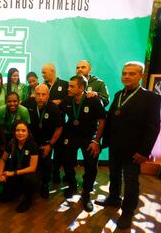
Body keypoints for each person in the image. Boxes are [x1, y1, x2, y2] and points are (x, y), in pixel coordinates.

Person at [95, 61, 161, 229]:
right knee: (114, 176)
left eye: (132, 74)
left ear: (141, 76)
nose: (127, 76)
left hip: (134, 151)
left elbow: (153, 127)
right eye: (125, 73)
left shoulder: (151, 98)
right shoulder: (118, 95)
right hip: (115, 147)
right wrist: (102, 142)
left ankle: (127, 212)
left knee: (131, 183)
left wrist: (144, 151)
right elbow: (110, 119)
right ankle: (114, 198)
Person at [58, 75, 106, 212]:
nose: (68, 88)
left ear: (81, 88)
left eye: (72, 86)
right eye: (68, 85)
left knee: (91, 166)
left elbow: (102, 120)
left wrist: (97, 141)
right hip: (71, 135)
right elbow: (58, 110)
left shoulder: (94, 100)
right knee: (67, 162)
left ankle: (86, 193)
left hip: (89, 137)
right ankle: (72, 186)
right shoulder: (67, 99)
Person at [27, 84, 63, 198]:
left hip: (47, 142)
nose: (40, 97)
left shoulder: (54, 108)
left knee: (47, 164)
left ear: (48, 95)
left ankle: (45, 185)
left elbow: (59, 128)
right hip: (31, 141)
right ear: (34, 95)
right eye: (38, 94)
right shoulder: (28, 104)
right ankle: (30, 184)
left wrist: (50, 145)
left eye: (43, 94)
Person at [0, 120, 39, 213]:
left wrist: (12, 173)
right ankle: (17, 191)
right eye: (17, 130)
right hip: (15, 173)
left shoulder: (32, 145)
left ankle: (28, 199)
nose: (20, 133)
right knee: (5, 198)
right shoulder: (11, 143)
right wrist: (0, 174)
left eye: (23, 130)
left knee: (30, 179)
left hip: (27, 174)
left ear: (28, 132)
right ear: (14, 132)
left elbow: (33, 168)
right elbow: (2, 159)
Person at [41, 63, 68, 183]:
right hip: (46, 125)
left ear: (52, 71)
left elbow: (70, 100)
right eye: (42, 72)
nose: (42, 74)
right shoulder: (42, 86)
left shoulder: (64, 84)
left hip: (60, 123)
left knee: (59, 151)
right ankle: (44, 174)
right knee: (46, 150)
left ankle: (56, 173)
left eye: (44, 72)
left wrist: (61, 102)